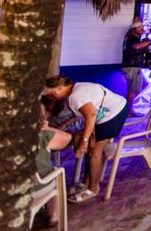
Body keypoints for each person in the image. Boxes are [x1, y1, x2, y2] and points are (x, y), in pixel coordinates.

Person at [43, 75, 128, 203]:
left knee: (94, 152)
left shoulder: (75, 96)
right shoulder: (77, 88)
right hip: (113, 109)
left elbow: (91, 115)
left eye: (50, 95)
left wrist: (84, 141)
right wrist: (62, 126)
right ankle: (86, 182)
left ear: (59, 89)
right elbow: (81, 113)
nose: (51, 98)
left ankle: (93, 189)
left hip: (113, 114)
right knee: (91, 149)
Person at [32, 105, 72, 229]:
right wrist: (47, 127)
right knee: (55, 174)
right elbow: (67, 138)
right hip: (36, 190)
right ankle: (54, 215)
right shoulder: (43, 136)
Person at [122, 20, 151, 117]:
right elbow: (136, 47)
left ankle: (129, 107)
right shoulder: (132, 38)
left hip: (133, 67)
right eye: (140, 28)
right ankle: (129, 111)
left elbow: (139, 48)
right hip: (132, 67)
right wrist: (150, 40)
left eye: (142, 28)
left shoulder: (133, 37)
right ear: (134, 29)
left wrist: (145, 44)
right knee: (133, 90)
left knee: (144, 84)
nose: (142, 30)